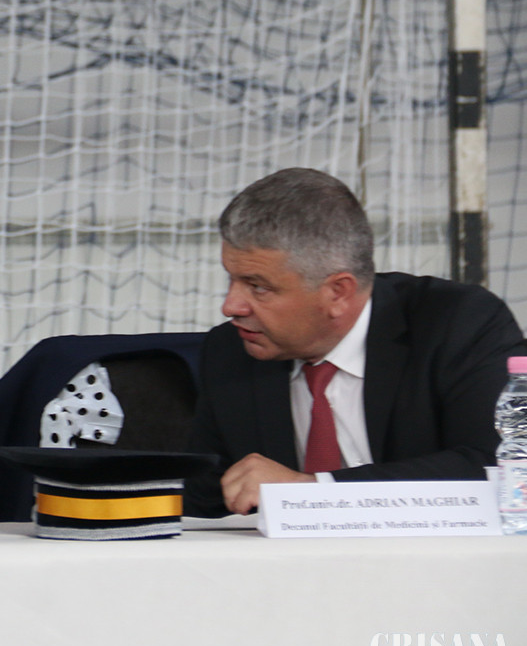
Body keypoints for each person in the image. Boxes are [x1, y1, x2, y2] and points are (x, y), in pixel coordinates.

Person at [186, 167, 527, 518]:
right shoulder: (229, 352)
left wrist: (315, 491)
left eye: (258, 287)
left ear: (338, 292)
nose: (231, 306)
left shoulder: (458, 323)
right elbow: (203, 496)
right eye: (232, 280)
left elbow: (503, 466)